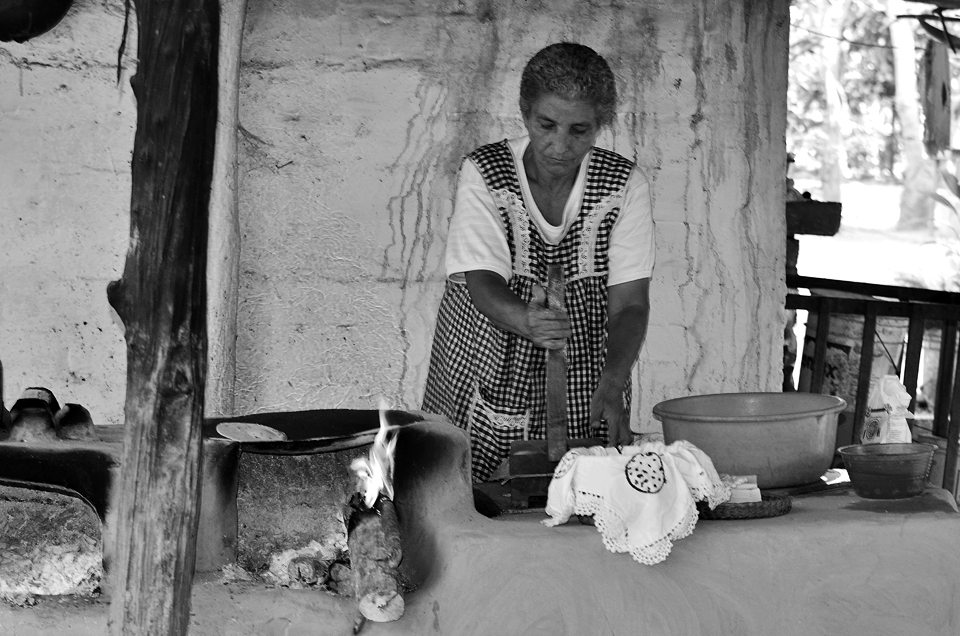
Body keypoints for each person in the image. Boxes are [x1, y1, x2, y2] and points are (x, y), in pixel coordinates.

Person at [422, 42, 655, 482]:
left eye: (580, 131)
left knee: (580, 484)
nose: (560, 145)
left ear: (600, 126)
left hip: (588, 360)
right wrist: (528, 320)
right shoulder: (486, 172)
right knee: (471, 487)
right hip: (487, 352)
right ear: (525, 113)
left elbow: (630, 304)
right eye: (546, 125)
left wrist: (614, 375)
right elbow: (483, 282)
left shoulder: (625, 185)